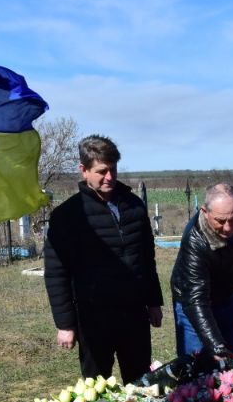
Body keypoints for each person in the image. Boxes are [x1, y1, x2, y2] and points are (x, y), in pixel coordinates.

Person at [44, 135, 163, 383]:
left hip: (134, 314)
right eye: (102, 171)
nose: (109, 177)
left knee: (140, 384)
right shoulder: (67, 216)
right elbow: (56, 273)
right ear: (84, 170)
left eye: (113, 169)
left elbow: (146, 259)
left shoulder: (134, 206)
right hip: (94, 318)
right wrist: (65, 324)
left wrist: (153, 302)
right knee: (97, 387)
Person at [170, 182, 233, 358]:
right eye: (220, 221)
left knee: (232, 359)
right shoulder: (194, 240)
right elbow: (195, 299)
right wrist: (215, 346)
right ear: (205, 212)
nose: (228, 228)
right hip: (193, 301)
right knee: (197, 362)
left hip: (228, 295)